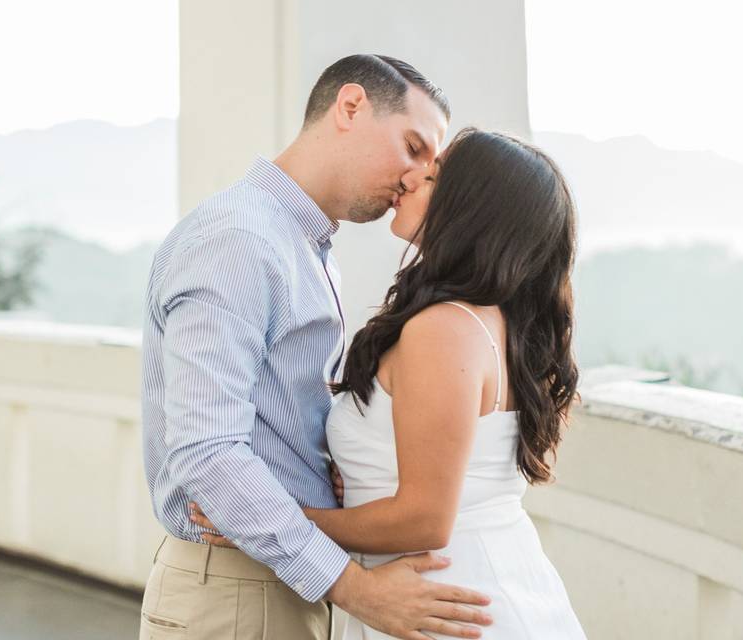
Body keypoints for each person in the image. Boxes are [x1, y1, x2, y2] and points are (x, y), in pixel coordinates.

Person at [139, 54, 493, 640]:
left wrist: (323, 464)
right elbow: (207, 452)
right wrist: (359, 592)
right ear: (350, 107)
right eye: (412, 147)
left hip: (277, 577)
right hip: (236, 591)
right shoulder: (239, 239)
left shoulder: (299, 242)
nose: (414, 177)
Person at [195, 127, 588, 638]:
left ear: (472, 208)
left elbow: (423, 519)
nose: (411, 175)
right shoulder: (490, 322)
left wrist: (272, 521)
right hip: (465, 587)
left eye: (435, 172)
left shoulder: (444, 329)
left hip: (444, 599)